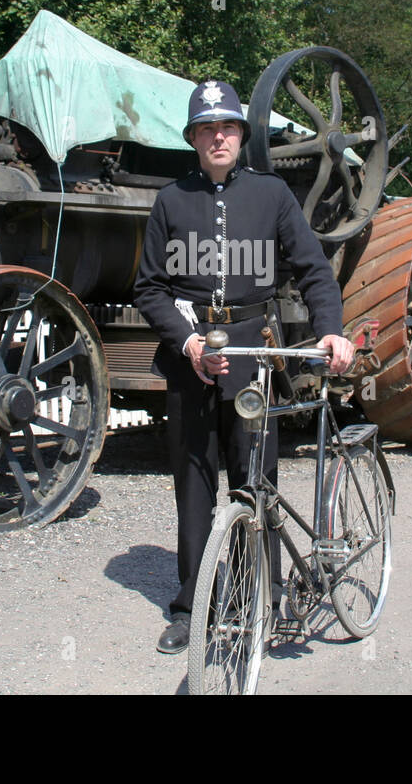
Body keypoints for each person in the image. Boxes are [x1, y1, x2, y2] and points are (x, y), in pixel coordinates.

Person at [133, 79, 354, 654]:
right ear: (193, 139)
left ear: (241, 134)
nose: (218, 137)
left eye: (227, 126)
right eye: (207, 129)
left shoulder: (272, 194)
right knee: (193, 482)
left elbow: (312, 269)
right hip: (190, 358)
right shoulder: (170, 199)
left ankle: (266, 592)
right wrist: (187, 344)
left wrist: (330, 327)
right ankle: (192, 604)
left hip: (253, 352)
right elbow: (149, 288)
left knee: (257, 479)